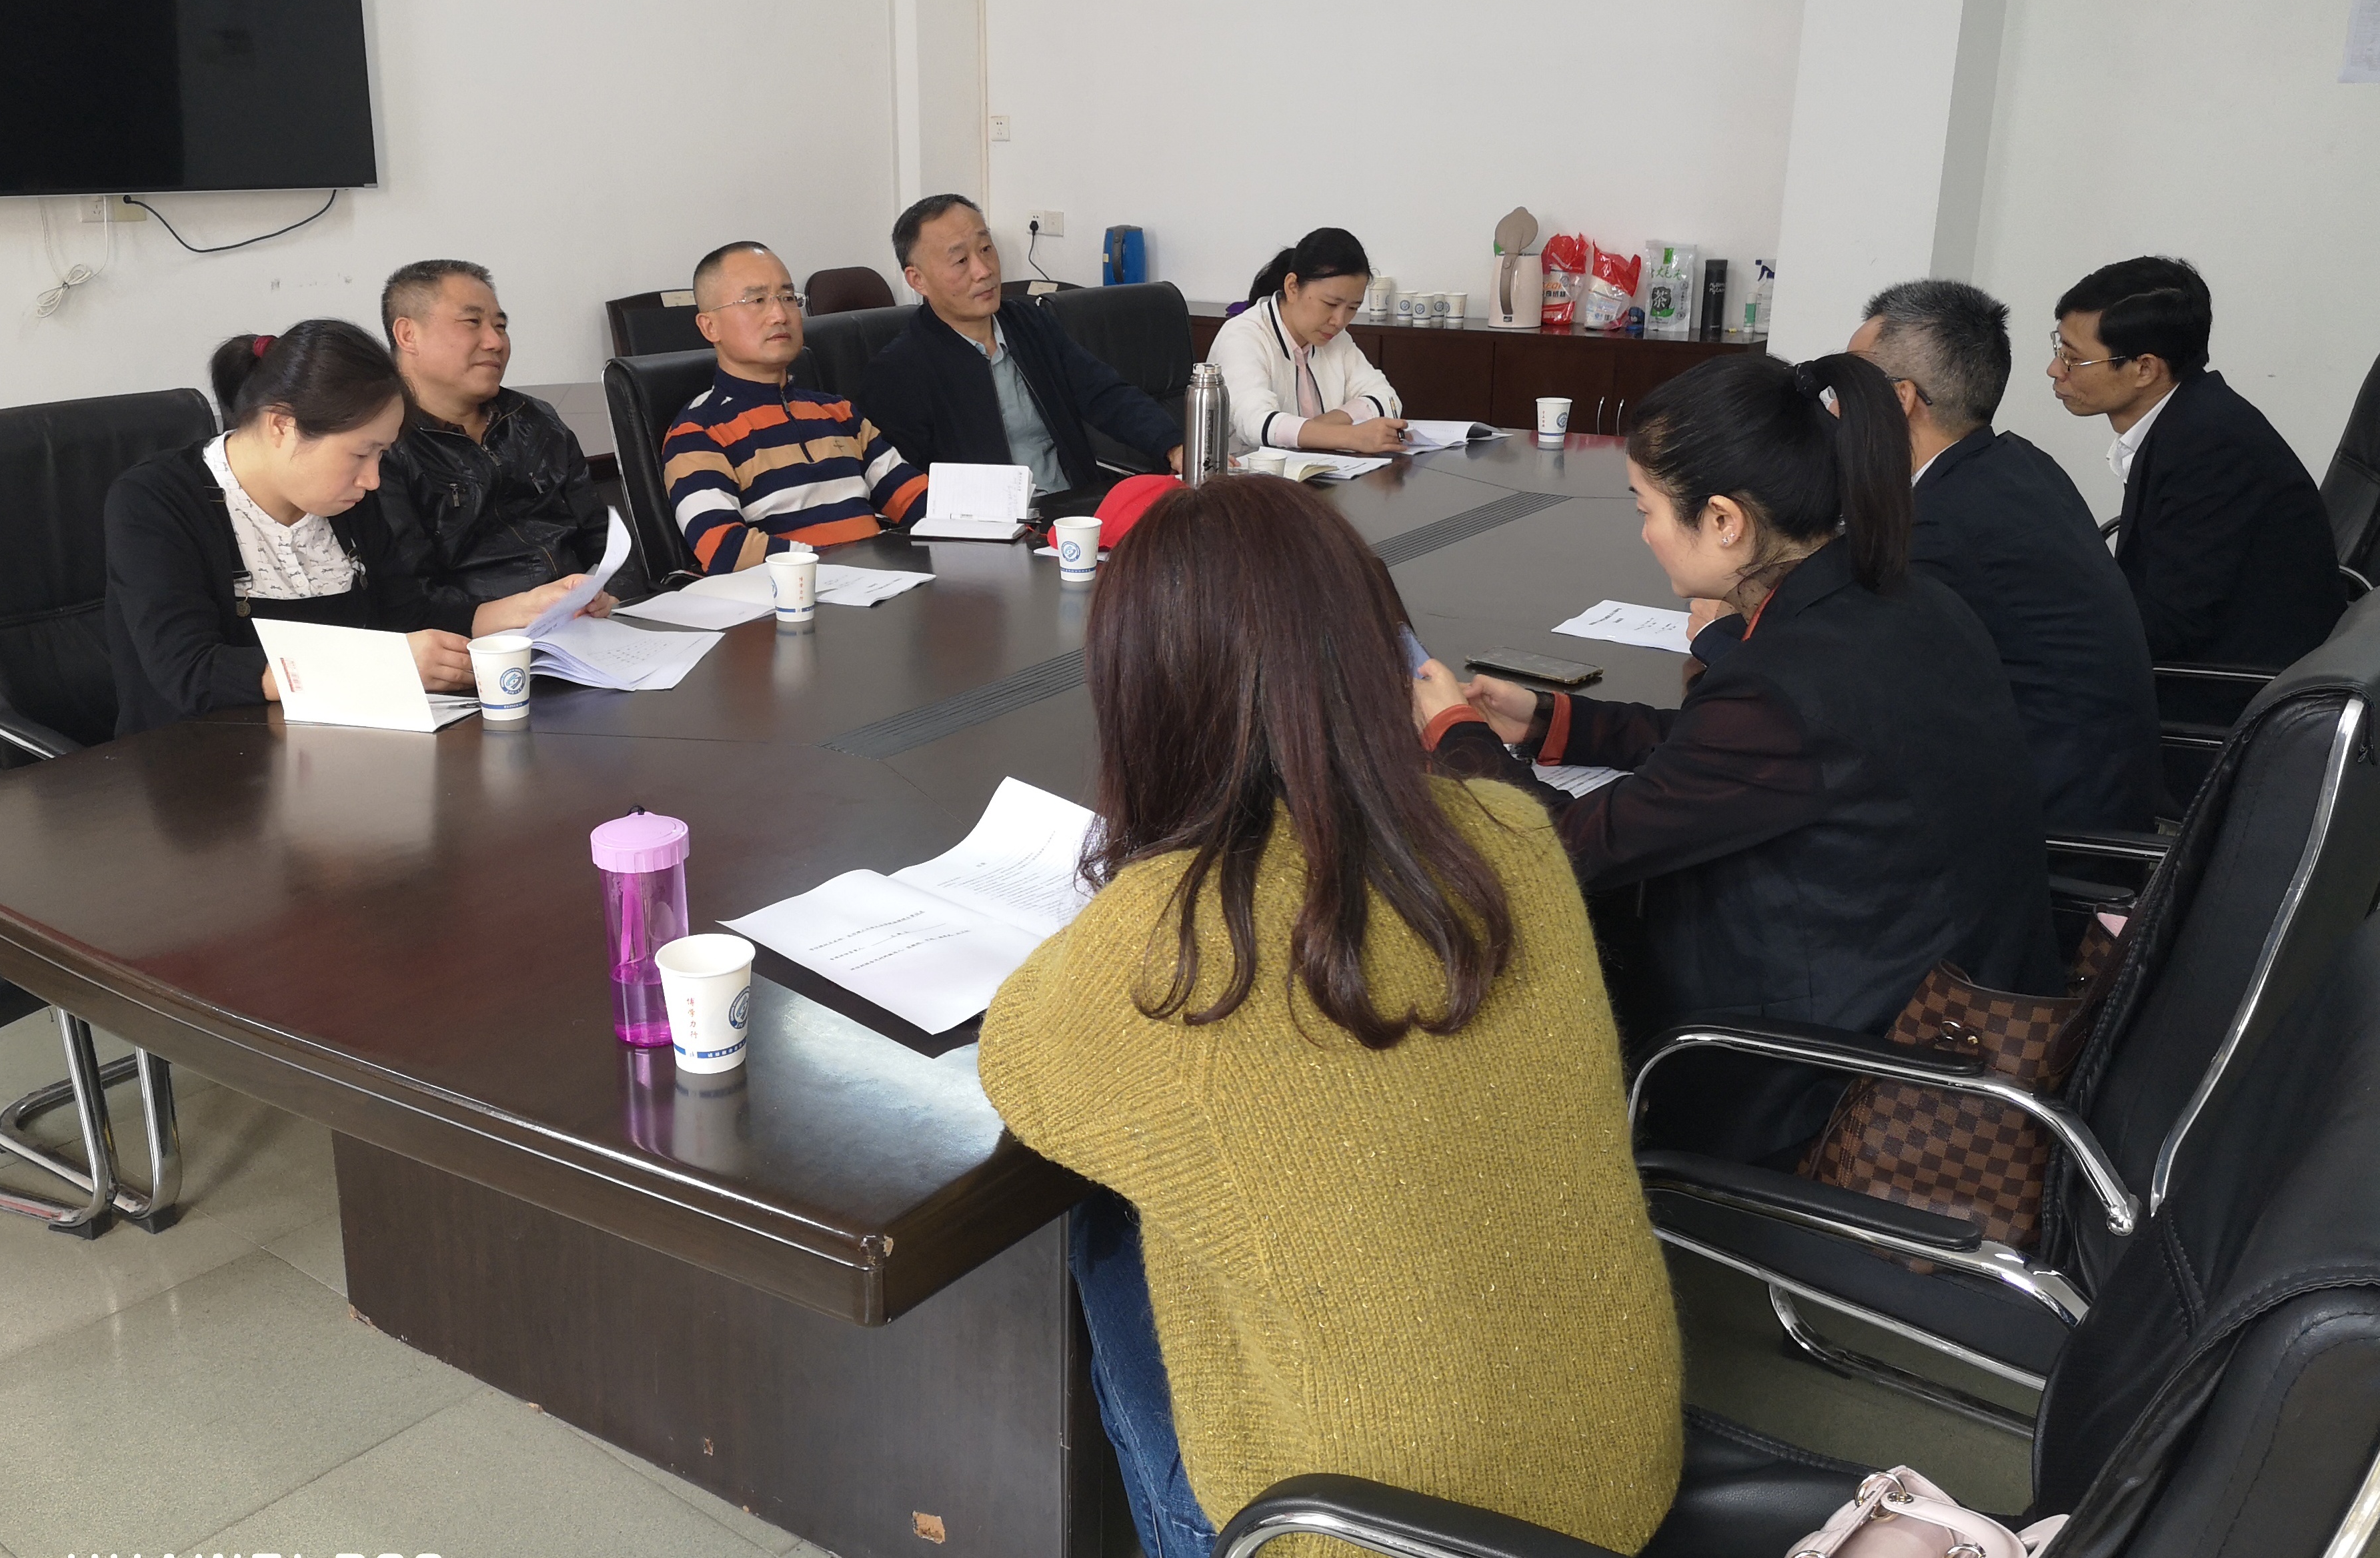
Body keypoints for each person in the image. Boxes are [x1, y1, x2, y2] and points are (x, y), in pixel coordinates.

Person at [980, 474, 1682, 1558]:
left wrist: (1135, 883)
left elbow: (1015, 1066)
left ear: (1140, 697)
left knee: (1109, 1219)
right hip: (1616, 1480)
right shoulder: (1510, 834)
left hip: (1355, 1536)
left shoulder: (1169, 938)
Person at [1418, 353, 2059, 1161]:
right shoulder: (1898, 599)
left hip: (1843, 1084)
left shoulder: (1782, 684)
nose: (1644, 532)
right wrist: (1554, 719)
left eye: (1646, 508)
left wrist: (1456, 735)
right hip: (1944, 999)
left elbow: (1561, 848)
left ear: (1724, 520)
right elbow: (1734, 751)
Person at [105, 321, 600, 736]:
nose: (373, 479)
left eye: (382, 453)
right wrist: (384, 663)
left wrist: (529, 608)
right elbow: (192, 673)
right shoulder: (155, 499)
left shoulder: (346, 500)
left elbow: (407, 614)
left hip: (339, 749)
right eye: (361, 453)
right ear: (281, 426)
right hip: (198, 770)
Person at [1845, 278, 2163, 830]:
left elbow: (1858, 694)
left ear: (1900, 399)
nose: (1834, 410)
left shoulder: (1940, 526)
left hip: (2038, 832)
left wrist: (1724, 631)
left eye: (1846, 390)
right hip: (2088, 792)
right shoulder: (2013, 465)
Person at [2052, 257, 2342, 692]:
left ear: (2144, 369)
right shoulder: (2191, 417)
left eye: (2073, 359)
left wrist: (2045, 622)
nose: (2055, 370)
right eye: (2059, 350)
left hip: (2228, 693)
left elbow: (2169, 624)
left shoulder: (2210, 448)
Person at [856, 194, 1182, 516]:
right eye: (961, 261)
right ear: (918, 280)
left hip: (1075, 511)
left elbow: (1104, 394)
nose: (983, 270)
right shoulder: (898, 372)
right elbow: (903, 491)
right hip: (989, 531)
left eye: (986, 249)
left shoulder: (1030, 324)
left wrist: (1173, 444)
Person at [377, 258, 637, 614]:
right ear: (408, 335)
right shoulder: (382, 445)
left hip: (586, 620)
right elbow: (411, 592)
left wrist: (617, 600)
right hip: (478, 637)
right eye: (472, 323)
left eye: (500, 326)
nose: (495, 341)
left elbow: (601, 534)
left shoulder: (534, 419)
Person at [663, 241, 927, 573]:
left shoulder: (839, 413)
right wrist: (840, 567)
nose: (780, 315)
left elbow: (914, 499)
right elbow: (726, 551)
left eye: (788, 298)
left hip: (882, 583)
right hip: (796, 595)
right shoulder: (698, 432)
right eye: (757, 301)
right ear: (709, 327)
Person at [1207, 227, 1408, 454]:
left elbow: (1388, 400)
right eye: (1331, 304)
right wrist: (1350, 436)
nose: (1339, 321)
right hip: (1245, 473)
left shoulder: (1336, 340)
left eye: (1353, 308)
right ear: (1292, 287)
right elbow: (1256, 423)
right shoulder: (1243, 335)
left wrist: (1320, 427)